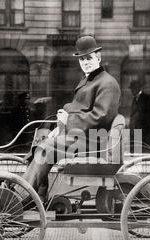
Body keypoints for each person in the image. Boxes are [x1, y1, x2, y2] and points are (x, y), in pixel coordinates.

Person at [21, 35, 121, 201]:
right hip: (83, 136)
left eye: (88, 58)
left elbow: (100, 117)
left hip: (96, 141)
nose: (85, 62)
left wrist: (68, 121)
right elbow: (79, 107)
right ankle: (39, 193)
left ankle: (22, 194)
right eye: (82, 59)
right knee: (42, 137)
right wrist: (60, 126)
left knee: (48, 146)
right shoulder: (89, 79)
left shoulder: (107, 83)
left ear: (99, 57)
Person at [128, 80, 150, 152]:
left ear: (138, 89)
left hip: (145, 130)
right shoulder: (134, 99)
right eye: (131, 89)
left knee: (146, 150)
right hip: (136, 130)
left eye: (133, 89)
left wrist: (146, 120)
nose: (131, 91)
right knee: (137, 151)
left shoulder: (147, 98)